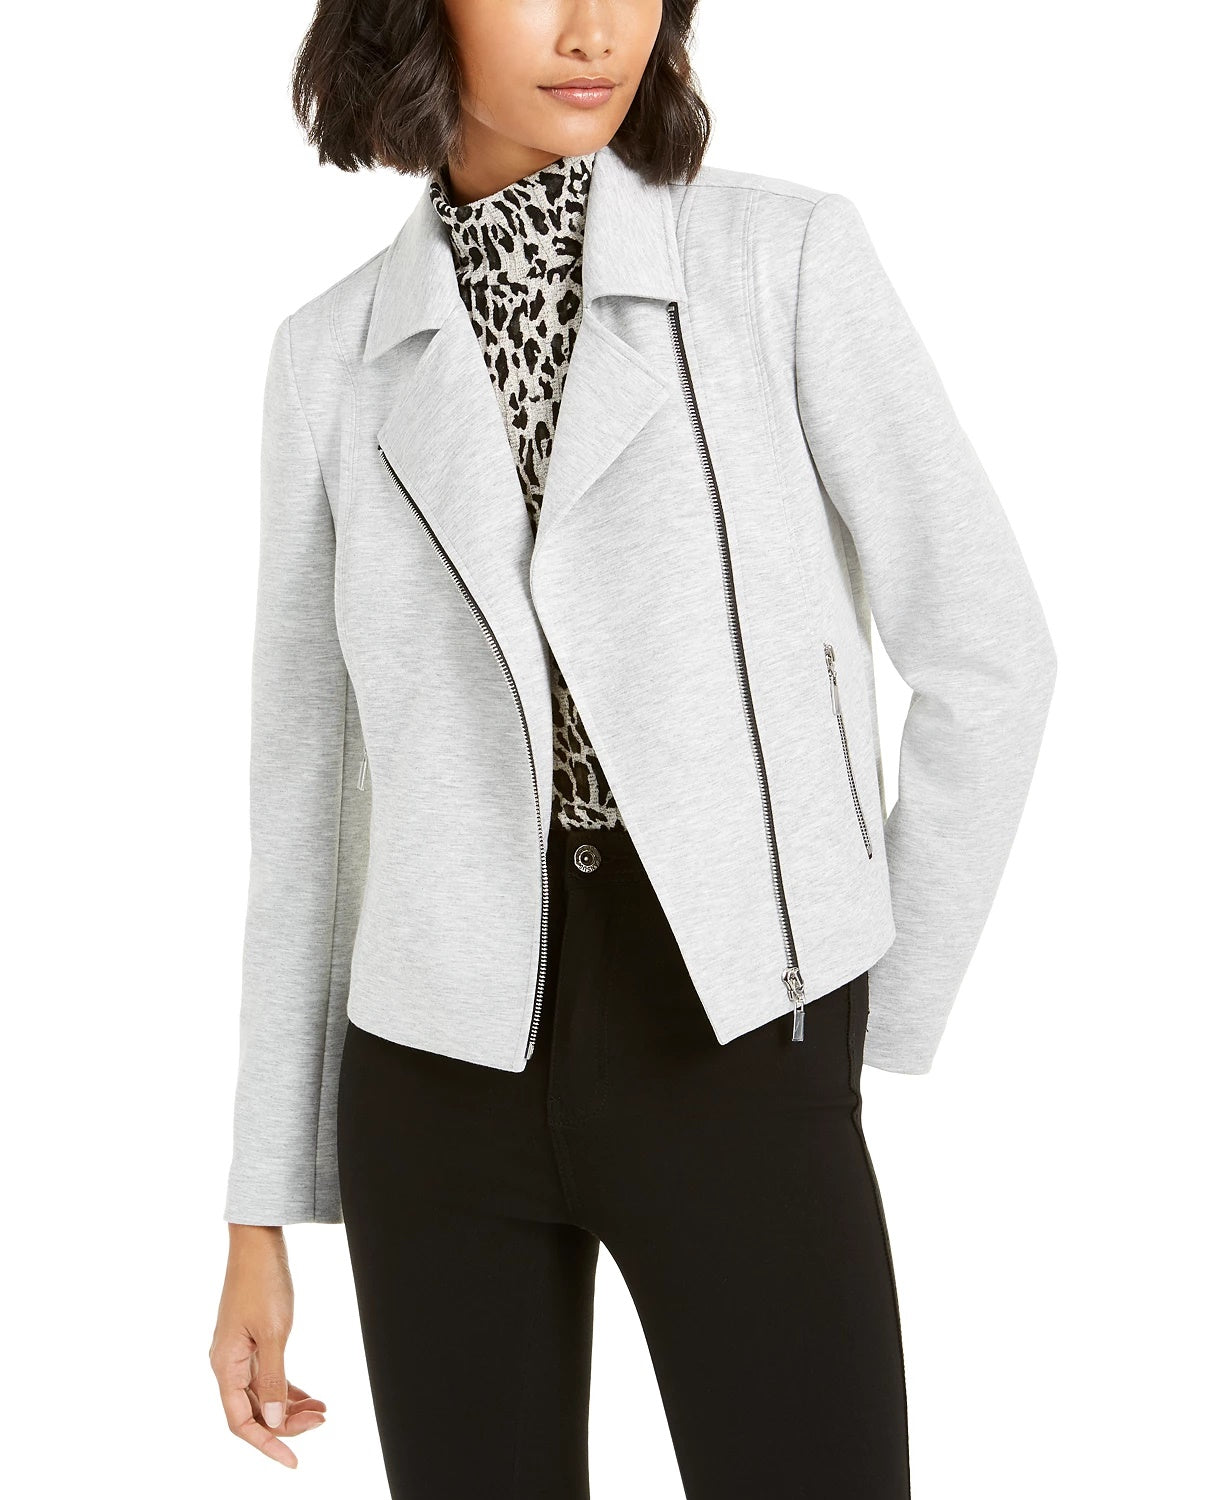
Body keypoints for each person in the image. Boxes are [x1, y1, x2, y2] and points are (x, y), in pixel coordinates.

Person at [209, 1, 1058, 1495]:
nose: (596, 26)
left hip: (732, 1031)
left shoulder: (779, 259)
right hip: (434, 1070)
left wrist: (859, 999)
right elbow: (307, 793)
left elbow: (988, 654)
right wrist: (259, 1210)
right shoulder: (328, 356)